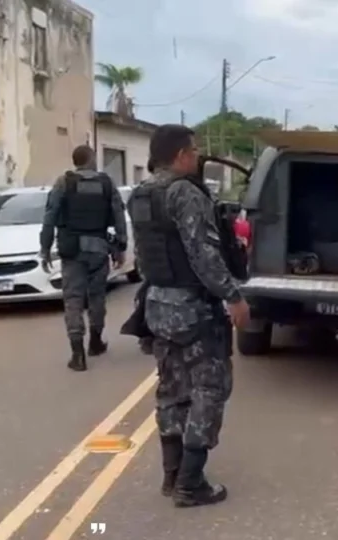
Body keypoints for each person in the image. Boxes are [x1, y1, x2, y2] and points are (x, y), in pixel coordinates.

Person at [128, 124, 250, 507]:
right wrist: (234, 296)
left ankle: (171, 474)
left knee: (170, 388)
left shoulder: (141, 195)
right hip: (193, 308)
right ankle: (191, 483)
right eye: (194, 151)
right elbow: (203, 256)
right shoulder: (185, 193)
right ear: (181, 155)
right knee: (209, 389)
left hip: (157, 305)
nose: (197, 157)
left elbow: (149, 254)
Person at [39, 145, 127, 372]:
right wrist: (121, 246)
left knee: (73, 300)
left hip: (71, 250)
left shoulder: (63, 183)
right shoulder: (106, 183)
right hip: (98, 247)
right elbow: (118, 215)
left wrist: (45, 248)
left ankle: (77, 353)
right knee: (97, 297)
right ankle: (95, 342)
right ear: (91, 160)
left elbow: (49, 217)